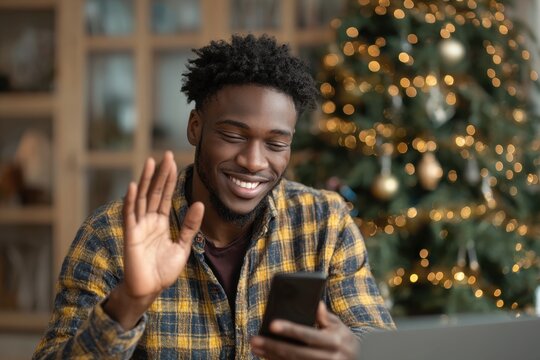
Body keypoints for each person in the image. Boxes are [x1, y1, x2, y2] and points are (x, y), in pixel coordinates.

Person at [33, 34, 394, 359]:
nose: (254, 162)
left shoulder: (324, 222)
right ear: (195, 128)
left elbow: (376, 338)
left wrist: (355, 351)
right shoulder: (110, 235)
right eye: (234, 136)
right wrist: (129, 301)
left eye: (275, 143)